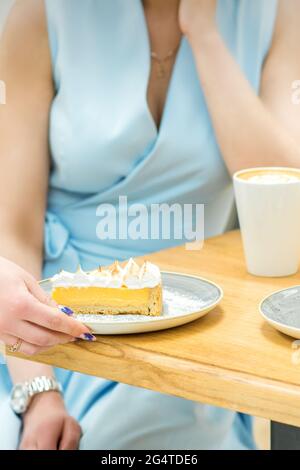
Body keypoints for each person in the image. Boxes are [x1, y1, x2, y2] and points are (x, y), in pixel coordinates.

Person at [0, 0, 299, 450]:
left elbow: (281, 198)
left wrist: (204, 34)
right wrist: (38, 393)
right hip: (46, 328)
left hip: (190, 332)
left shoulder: (277, 11)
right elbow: (13, 230)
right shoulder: (40, 10)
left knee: (150, 431)